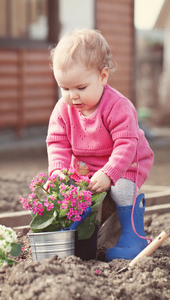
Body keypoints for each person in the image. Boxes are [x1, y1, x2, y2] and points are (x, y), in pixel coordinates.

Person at [46, 29, 154, 261]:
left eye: (81, 88)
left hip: (127, 162)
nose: (72, 96)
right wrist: (57, 171)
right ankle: (77, 237)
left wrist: (110, 173)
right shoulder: (63, 110)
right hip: (85, 167)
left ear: (103, 77)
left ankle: (133, 236)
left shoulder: (118, 106)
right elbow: (58, 143)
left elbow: (126, 143)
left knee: (121, 189)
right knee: (72, 193)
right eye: (65, 88)